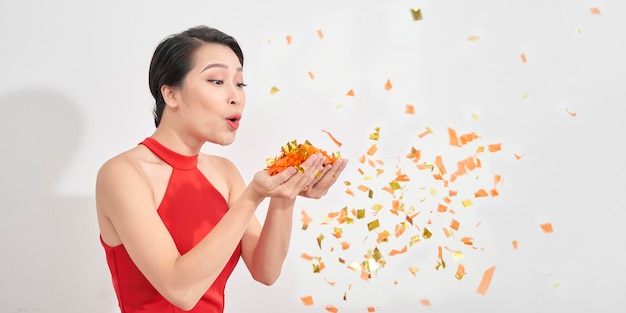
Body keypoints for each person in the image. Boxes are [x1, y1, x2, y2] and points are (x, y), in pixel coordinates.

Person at [95, 25, 348, 313]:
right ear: (171, 95)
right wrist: (252, 197)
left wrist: (284, 193)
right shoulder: (122, 174)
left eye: (240, 84)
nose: (235, 96)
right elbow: (181, 289)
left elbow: (265, 271)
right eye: (216, 81)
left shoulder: (224, 172)